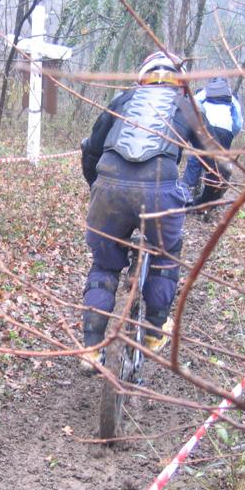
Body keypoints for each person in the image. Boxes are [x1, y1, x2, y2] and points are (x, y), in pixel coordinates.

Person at [79, 51, 206, 371]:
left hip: (109, 190)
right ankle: (153, 331)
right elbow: (213, 155)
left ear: (142, 78)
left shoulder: (122, 100)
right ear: (180, 83)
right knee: (165, 255)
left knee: (104, 266)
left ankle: (91, 349)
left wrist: (97, 186)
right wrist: (204, 193)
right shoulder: (186, 107)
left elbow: (91, 149)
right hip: (160, 193)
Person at [182, 76, 243, 207]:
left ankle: (185, 192)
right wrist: (231, 134)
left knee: (196, 157)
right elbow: (238, 123)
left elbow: (191, 105)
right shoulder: (231, 97)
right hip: (225, 130)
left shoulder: (204, 92)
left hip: (205, 126)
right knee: (218, 165)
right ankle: (210, 201)